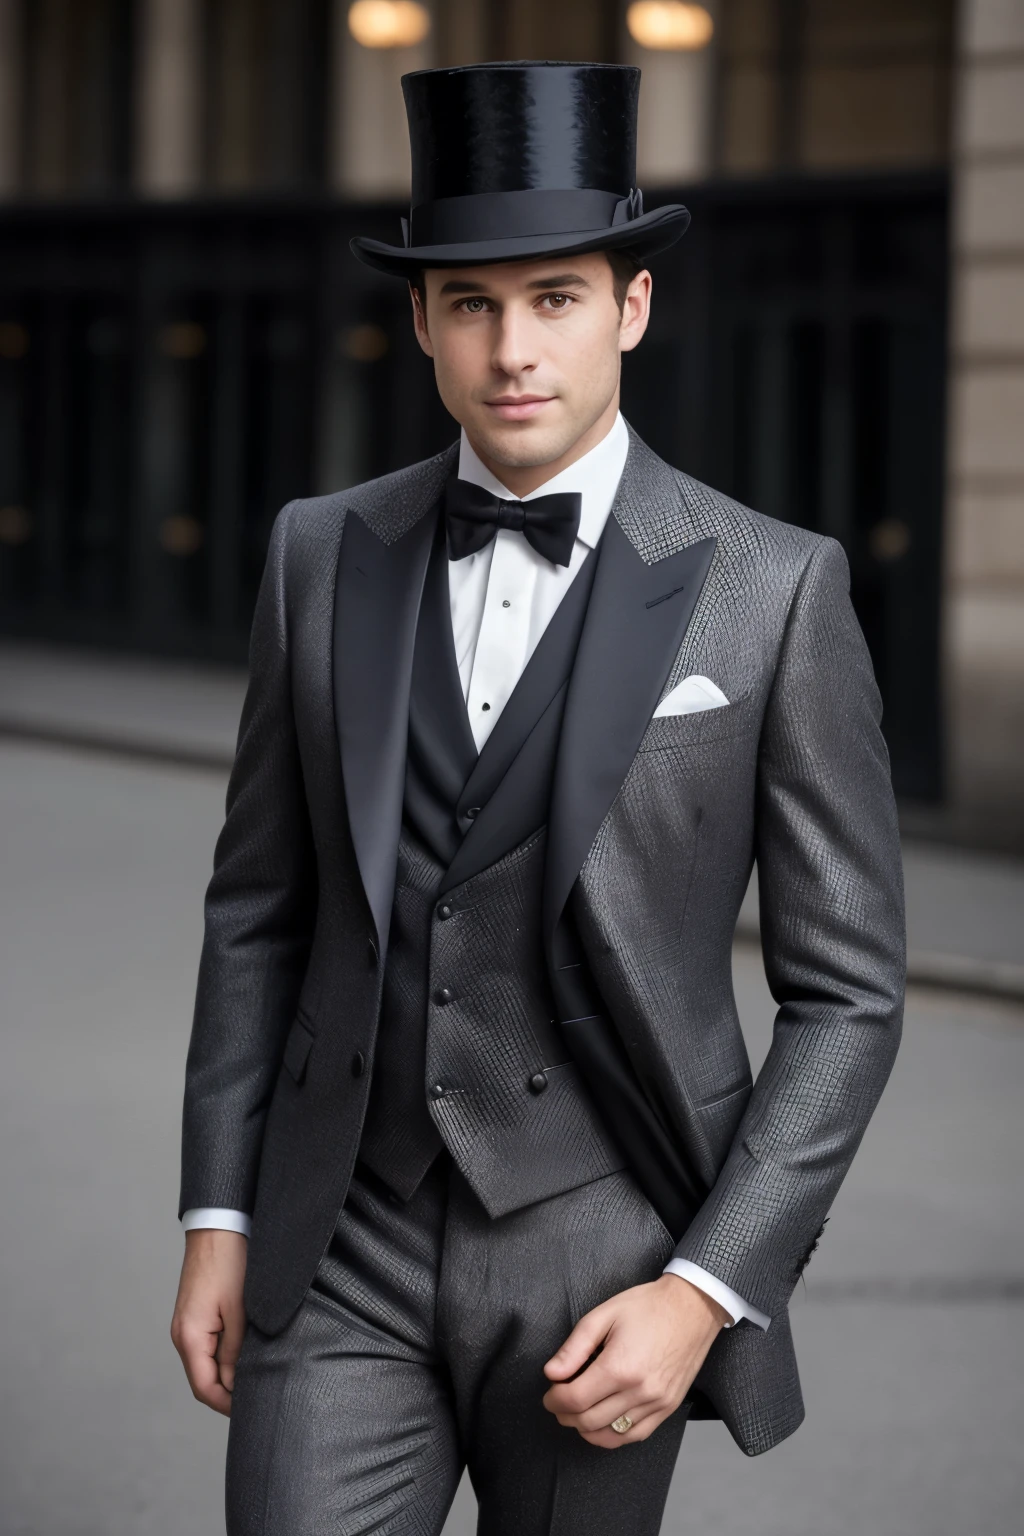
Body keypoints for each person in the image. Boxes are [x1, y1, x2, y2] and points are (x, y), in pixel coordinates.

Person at [171, 61, 905, 1536]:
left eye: (556, 299)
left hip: (607, 1244)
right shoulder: (322, 553)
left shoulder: (774, 588)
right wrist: (220, 1213)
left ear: (630, 308)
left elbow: (850, 995)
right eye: (473, 306)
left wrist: (706, 1290)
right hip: (342, 1235)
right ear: (426, 325)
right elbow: (261, 906)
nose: (514, 349)